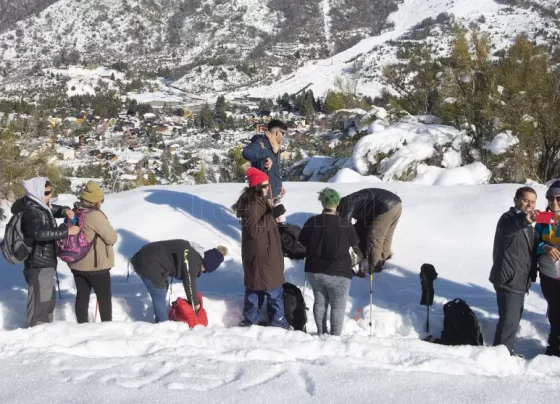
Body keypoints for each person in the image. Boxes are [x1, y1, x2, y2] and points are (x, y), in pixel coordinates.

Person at [10, 177, 79, 327]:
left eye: (51, 192)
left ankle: (45, 330)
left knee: (46, 299)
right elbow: (39, 233)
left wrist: (64, 210)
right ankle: (36, 332)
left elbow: (52, 209)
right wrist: (66, 231)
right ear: (37, 193)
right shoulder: (31, 211)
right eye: (47, 193)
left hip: (44, 261)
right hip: (38, 262)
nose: (50, 196)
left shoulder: (39, 206)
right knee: (40, 302)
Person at [298, 188, 362, 336]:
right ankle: (335, 336)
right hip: (339, 272)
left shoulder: (312, 222)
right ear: (337, 203)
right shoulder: (345, 224)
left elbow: (302, 241)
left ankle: (321, 333)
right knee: (338, 307)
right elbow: (355, 243)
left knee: (320, 302)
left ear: (322, 203)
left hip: (314, 270)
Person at [232, 167, 288, 328]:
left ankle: (251, 321)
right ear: (256, 187)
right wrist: (271, 215)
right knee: (273, 291)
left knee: (255, 290)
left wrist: (273, 210)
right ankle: (278, 323)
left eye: (268, 184)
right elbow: (255, 230)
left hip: (261, 254)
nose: (268, 187)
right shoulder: (252, 206)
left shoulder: (256, 201)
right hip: (263, 256)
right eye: (265, 185)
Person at [489, 186, 539, 356]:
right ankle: (500, 356)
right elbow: (511, 227)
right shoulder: (508, 219)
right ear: (516, 200)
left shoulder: (530, 225)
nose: (529, 205)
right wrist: (525, 220)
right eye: (526, 200)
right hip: (508, 278)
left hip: (520, 280)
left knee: (513, 321)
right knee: (509, 322)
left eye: (533, 202)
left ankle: (505, 352)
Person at [130, 240, 227, 323]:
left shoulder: (193, 253)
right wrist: (195, 303)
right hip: (147, 262)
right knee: (159, 295)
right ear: (207, 264)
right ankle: (163, 326)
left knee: (163, 288)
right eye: (204, 270)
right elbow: (189, 282)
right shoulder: (193, 262)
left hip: (149, 257)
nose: (202, 271)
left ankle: (162, 316)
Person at [68, 181, 118, 324]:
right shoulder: (95, 215)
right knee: (103, 297)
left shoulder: (74, 212)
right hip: (96, 266)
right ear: (96, 200)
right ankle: (107, 325)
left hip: (76, 263)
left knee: (82, 296)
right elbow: (111, 238)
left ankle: (82, 325)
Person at [337, 188, 402, 273]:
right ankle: (385, 259)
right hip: (396, 204)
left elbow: (345, 224)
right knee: (386, 235)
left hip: (386, 206)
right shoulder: (357, 203)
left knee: (375, 237)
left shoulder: (347, 203)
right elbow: (363, 222)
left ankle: (375, 266)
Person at [536, 180, 560, 357]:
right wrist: (545, 247)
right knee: (554, 308)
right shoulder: (544, 217)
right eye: (551, 198)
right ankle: (554, 342)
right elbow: (533, 242)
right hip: (548, 274)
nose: (554, 202)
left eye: (559, 198)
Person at [242, 119, 288, 207]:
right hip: (263, 194)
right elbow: (246, 152)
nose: (283, 137)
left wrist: (279, 185)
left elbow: (275, 169)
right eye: (283, 134)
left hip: (273, 193)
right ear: (278, 133)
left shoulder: (274, 147)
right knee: (264, 219)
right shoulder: (261, 144)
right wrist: (264, 158)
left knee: (274, 219)